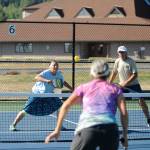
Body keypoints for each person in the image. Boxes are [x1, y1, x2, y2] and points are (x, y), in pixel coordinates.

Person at [45, 60, 128, 150]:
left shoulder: (84, 88)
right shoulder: (115, 89)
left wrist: (57, 130)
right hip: (110, 130)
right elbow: (124, 113)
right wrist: (125, 135)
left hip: (88, 129)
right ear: (108, 74)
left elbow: (65, 106)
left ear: (92, 73)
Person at [9, 60, 72, 131]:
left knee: (60, 106)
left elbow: (63, 82)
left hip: (49, 94)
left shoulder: (59, 74)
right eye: (53, 65)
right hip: (37, 93)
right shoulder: (46, 73)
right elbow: (37, 77)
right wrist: (46, 80)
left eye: (57, 65)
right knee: (26, 110)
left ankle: (60, 126)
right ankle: (13, 125)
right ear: (49, 66)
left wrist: (72, 89)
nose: (55, 66)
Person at [109, 45, 150, 127]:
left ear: (126, 53)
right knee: (115, 101)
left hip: (134, 85)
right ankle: (111, 121)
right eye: (120, 52)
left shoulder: (131, 61)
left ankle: (149, 119)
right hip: (122, 87)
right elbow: (114, 73)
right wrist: (109, 83)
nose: (121, 53)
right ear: (118, 53)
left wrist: (126, 82)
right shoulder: (117, 61)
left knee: (141, 102)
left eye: (123, 52)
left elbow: (135, 75)